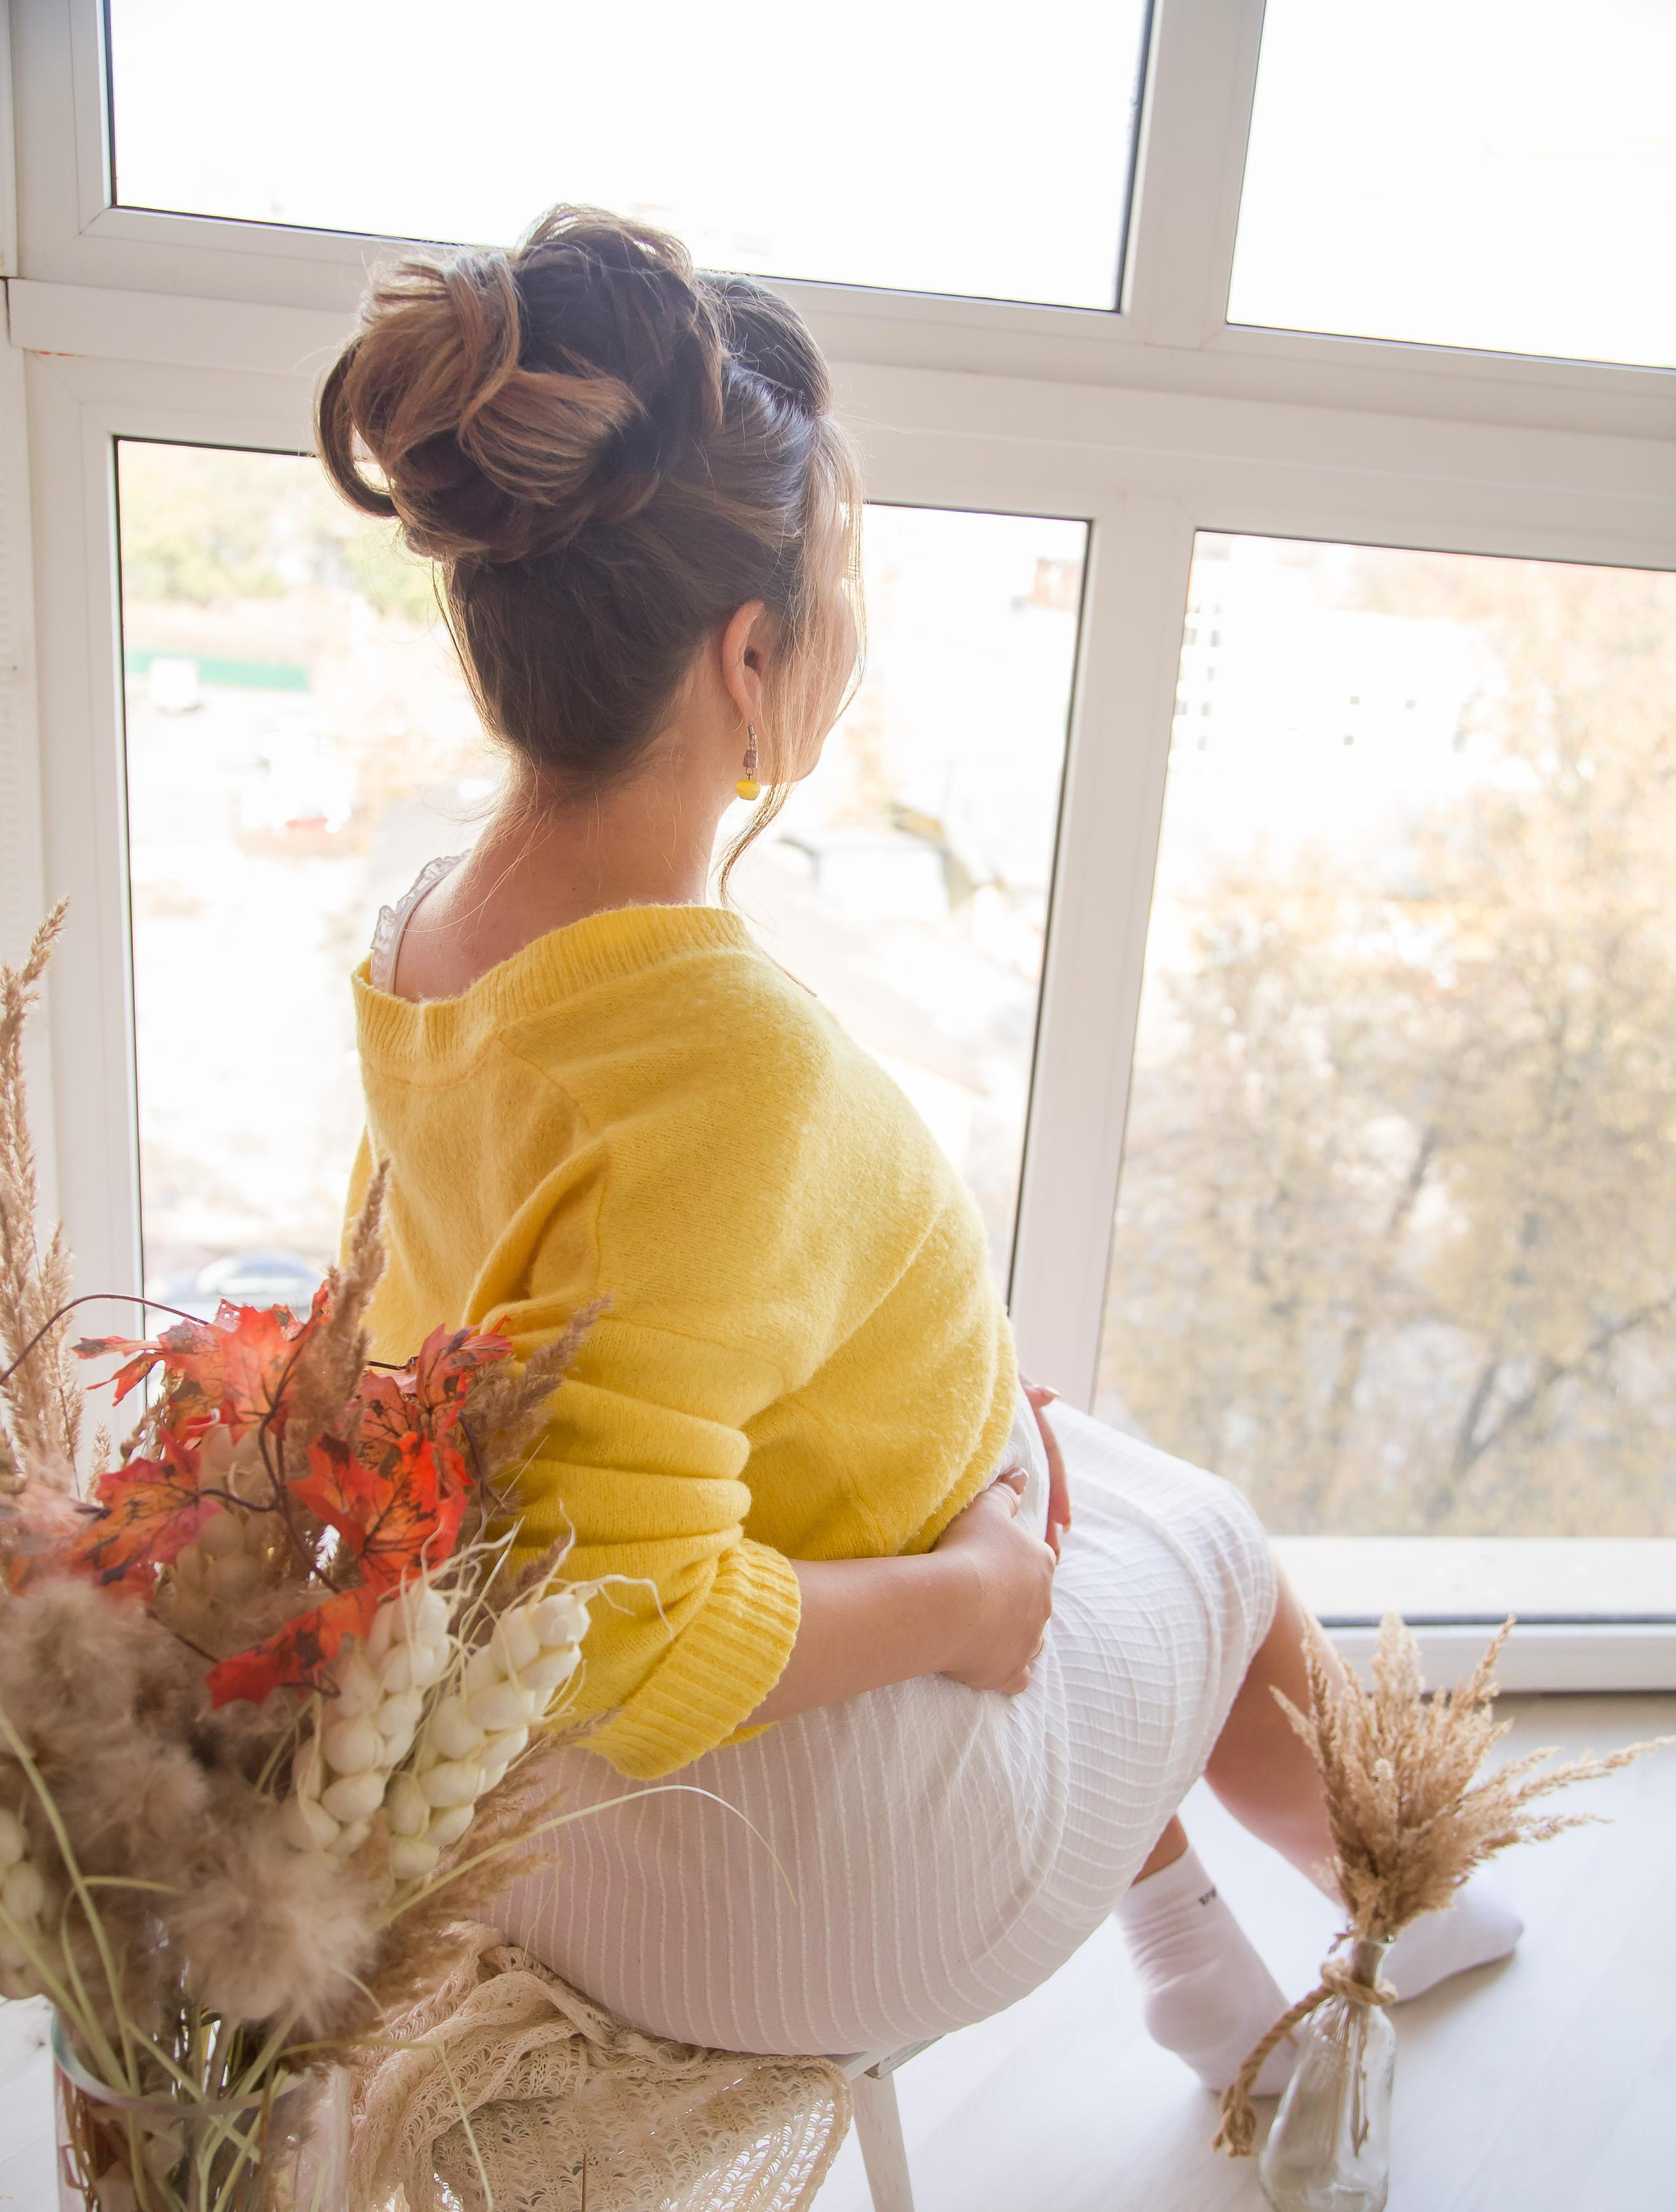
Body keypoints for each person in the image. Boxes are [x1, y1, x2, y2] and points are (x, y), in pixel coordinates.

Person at [323, 207, 1519, 2081]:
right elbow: (641, 1641)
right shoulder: (726, 1066)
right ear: (744, 656)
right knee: (1194, 1540)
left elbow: (482, 1352)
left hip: (526, 1776)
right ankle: (1397, 1887)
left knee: (1047, 1446)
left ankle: (1197, 1952)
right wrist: (974, 1596)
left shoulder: (425, 938)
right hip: (757, 1858)